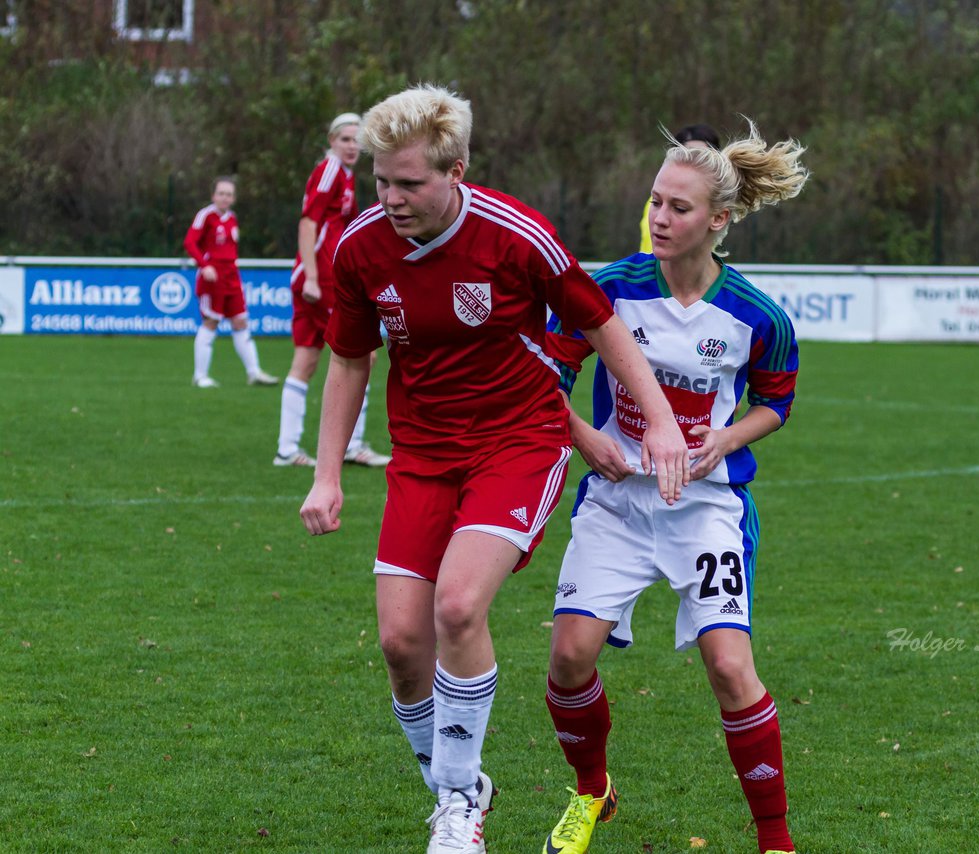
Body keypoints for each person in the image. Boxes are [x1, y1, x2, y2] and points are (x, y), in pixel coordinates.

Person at [297, 84, 690, 854]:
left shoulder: (515, 235)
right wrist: (327, 472)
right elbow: (348, 361)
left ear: (456, 170)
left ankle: (456, 808)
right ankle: (462, 788)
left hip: (519, 441)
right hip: (422, 454)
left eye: (410, 182)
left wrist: (665, 421)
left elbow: (600, 322)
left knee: (456, 608)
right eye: (381, 181)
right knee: (400, 643)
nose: (392, 198)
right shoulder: (358, 246)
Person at [541, 120, 807, 854]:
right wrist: (586, 439)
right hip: (617, 503)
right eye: (655, 201)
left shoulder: (759, 316)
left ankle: (776, 841)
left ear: (718, 220)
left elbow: (775, 403)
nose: (660, 217)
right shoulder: (609, 291)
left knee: (730, 667)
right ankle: (592, 792)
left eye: (679, 207)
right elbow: (545, 377)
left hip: (707, 509)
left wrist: (726, 438)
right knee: (568, 659)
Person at [276, 113, 391, 466]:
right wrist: (311, 276)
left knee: (306, 361)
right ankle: (352, 444)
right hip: (320, 280)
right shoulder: (329, 171)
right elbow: (308, 222)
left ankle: (287, 449)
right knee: (364, 355)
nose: (352, 146)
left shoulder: (342, 175)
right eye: (345, 139)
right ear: (331, 141)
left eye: (357, 140)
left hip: (319, 277)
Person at [184, 176, 278, 388]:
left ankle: (254, 372)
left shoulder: (232, 218)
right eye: (221, 193)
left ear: (233, 198)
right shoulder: (205, 216)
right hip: (212, 278)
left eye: (229, 194)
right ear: (213, 195)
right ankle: (200, 376)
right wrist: (204, 265)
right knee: (211, 321)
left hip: (231, 277)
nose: (224, 198)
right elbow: (190, 242)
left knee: (240, 321)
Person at [639, 123, 721, 253]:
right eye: (656, 202)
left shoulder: (719, 203)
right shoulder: (657, 206)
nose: (660, 220)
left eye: (680, 209)